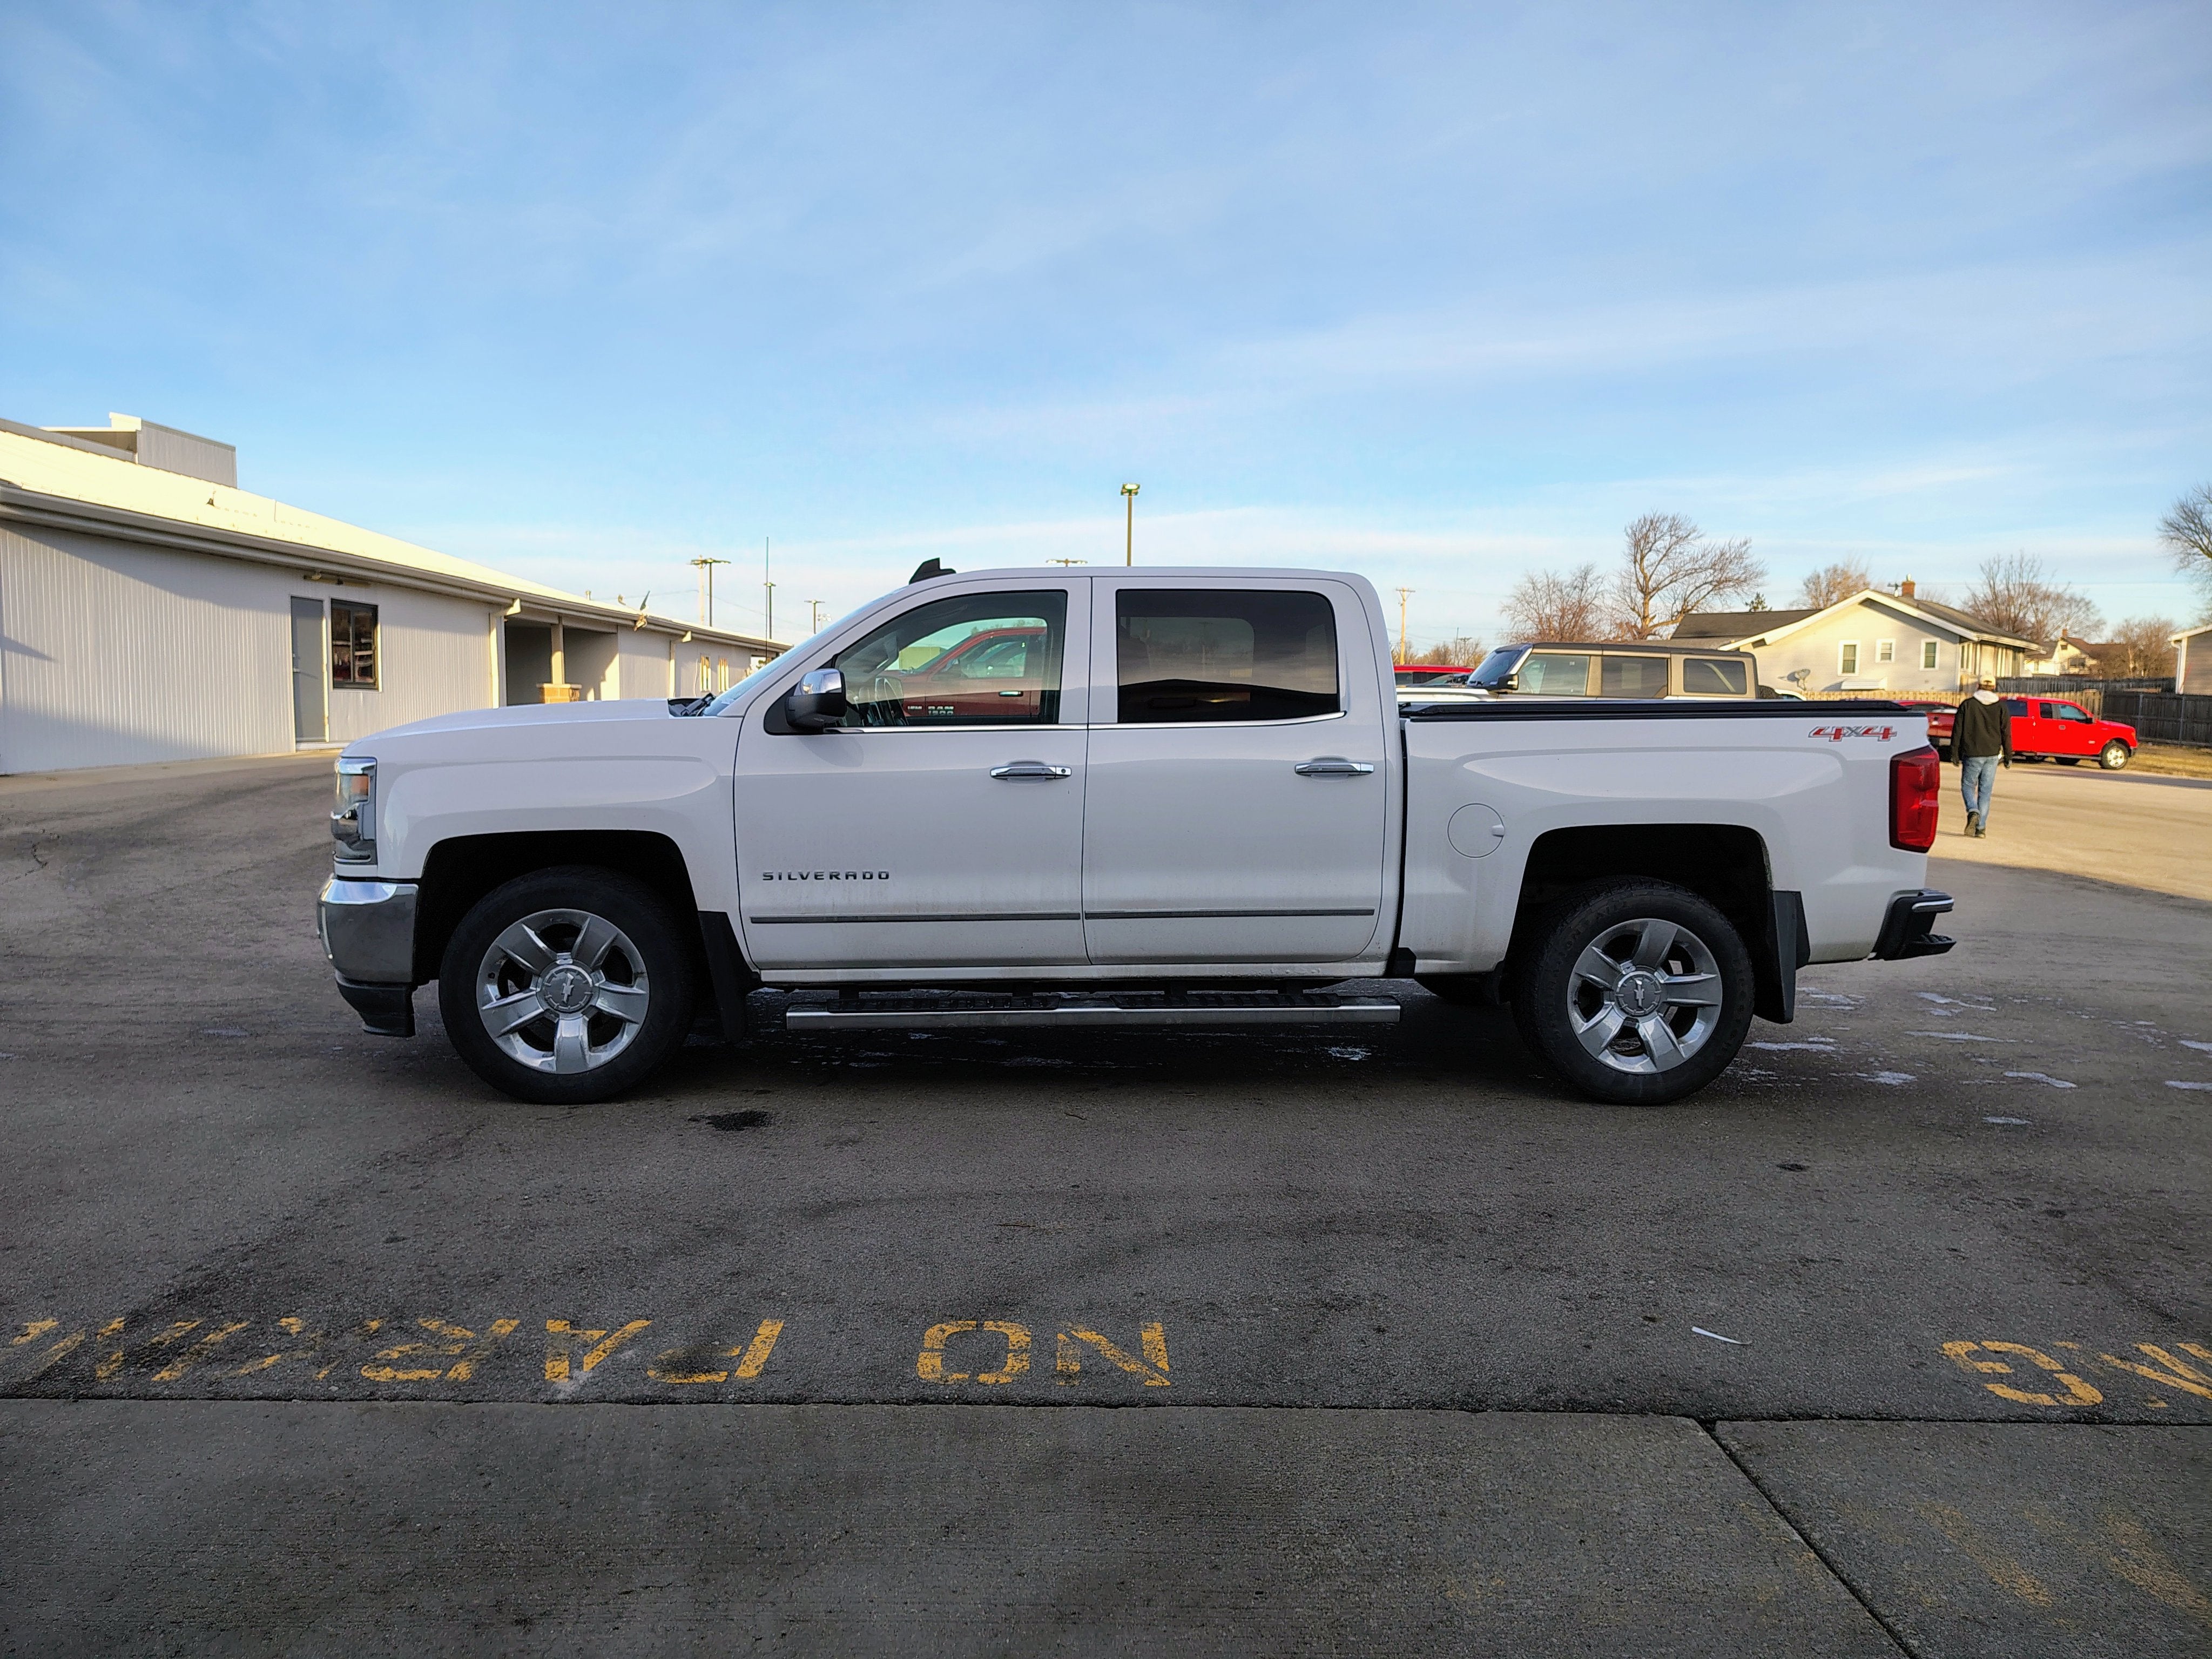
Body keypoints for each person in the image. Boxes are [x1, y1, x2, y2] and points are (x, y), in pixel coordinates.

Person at [1952, 676, 2011, 837]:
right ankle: (1981, 829)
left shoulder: (1968, 705)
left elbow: (1957, 730)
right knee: (1985, 791)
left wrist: (1955, 753)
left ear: (1978, 686)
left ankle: (1973, 811)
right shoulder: (2001, 707)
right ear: (1994, 687)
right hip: (1992, 754)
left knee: (1968, 786)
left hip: (1972, 753)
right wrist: (2008, 755)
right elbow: (2006, 732)